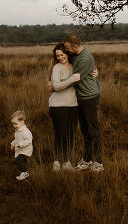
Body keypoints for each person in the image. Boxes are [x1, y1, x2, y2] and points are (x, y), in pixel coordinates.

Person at [63, 34, 103, 172]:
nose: (67, 50)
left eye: (68, 48)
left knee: (93, 130)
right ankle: (87, 160)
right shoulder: (76, 55)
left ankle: (98, 162)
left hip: (89, 97)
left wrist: (56, 86)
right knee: (85, 131)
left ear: (75, 46)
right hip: (81, 97)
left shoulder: (85, 58)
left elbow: (74, 79)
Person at [47, 43, 81, 172]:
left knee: (69, 134)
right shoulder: (56, 68)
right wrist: (72, 79)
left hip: (73, 105)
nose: (60, 58)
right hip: (58, 106)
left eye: (62, 54)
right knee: (60, 134)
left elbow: (86, 70)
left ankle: (67, 162)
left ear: (67, 53)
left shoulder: (73, 66)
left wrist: (96, 71)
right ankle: (56, 162)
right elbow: (56, 86)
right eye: (58, 56)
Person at [10, 110, 34, 180]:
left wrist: (19, 144)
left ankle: (25, 172)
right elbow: (16, 139)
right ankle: (23, 170)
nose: (14, 125)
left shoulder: (25, 131)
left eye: (15, 124)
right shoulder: (17, 131)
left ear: (22, 122)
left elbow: (29, 141)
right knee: (20, 161)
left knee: (19, 161)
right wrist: (12, 144)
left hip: (26, 151)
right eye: (13, 124)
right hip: (21, 150)